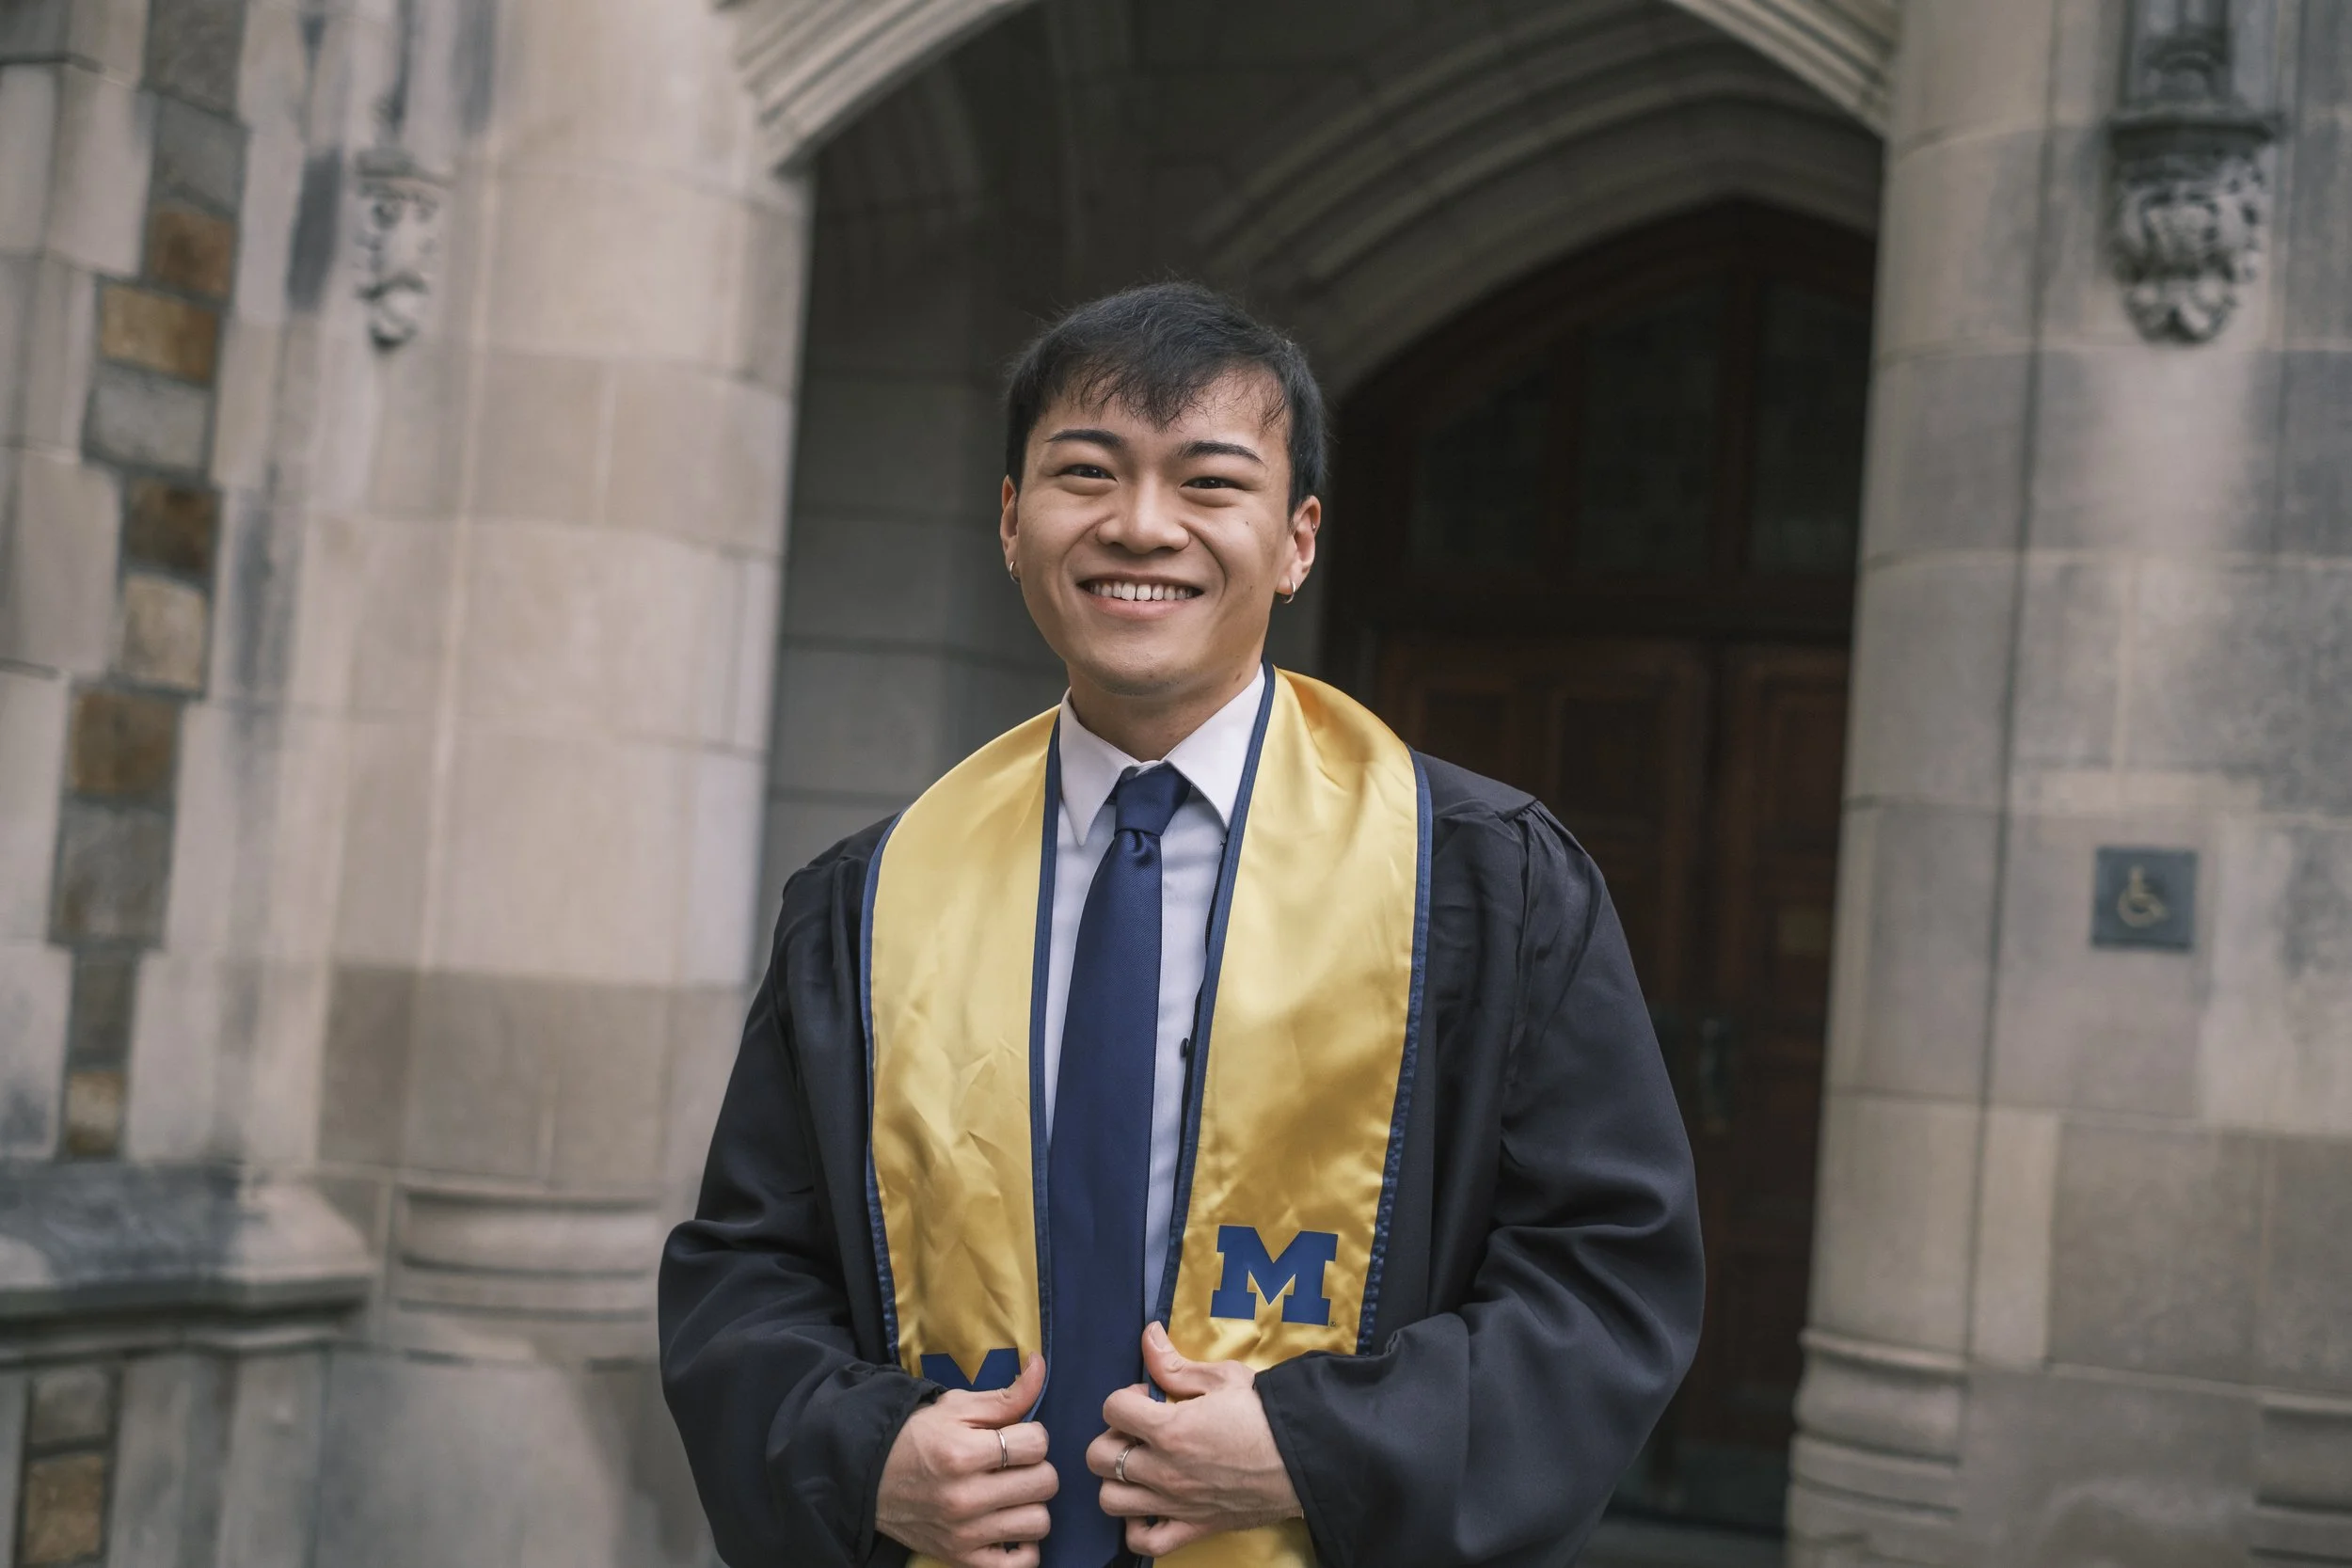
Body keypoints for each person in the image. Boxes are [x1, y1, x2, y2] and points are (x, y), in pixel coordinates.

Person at [660, 282, 1703, 1568]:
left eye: (1208, 483)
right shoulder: (868, 902)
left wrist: (1324, 1447)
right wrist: (864, 1453)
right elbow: (746, 1272)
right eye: (1085, 473)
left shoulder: (1485, 884)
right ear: (1008, 519)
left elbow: (1605, 1281)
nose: (1140, 526)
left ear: (1297, 536)